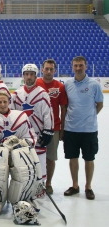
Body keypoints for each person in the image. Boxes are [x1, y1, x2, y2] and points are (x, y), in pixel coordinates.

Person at [0, 91, 39, 213]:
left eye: (5, 102)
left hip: (16, 154)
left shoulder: (21, 116)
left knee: (25, 169)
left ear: (9, 102)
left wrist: (18, 145)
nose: (2, 104)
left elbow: (31, 137)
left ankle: (23, 199)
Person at [63, 56, 103, 200]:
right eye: (76, 66)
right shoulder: (67, 84)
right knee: (72, 158)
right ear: (72, 67)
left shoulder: (94, 85)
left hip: (89, 130)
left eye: (81, 65)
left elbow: (99, 104)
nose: (78, 68)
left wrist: (89, 117)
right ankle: (75, 185)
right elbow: (66, 106)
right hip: (71, 129)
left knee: (89, 159)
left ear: (86, 66)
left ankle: (88, 187)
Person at [11, 64, 54, 197]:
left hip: (38, 133)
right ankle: (25, 185)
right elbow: (12, 113)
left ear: (36, 76)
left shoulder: (42, 93)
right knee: (22, 161)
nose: (29, 77)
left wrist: (48, 130)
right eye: (26, 74)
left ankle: (40, 185)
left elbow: (48, 113)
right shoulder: (17, 94)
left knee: (40, 160)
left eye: (31, 74)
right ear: (23, 76)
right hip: (22, 134)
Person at [35, 59, 68, 194]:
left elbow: (63, 108)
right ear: (42, 69)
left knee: (50, 157)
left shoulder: (60, 86)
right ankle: (35, 182)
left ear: (55, 71)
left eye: (51, 69)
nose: (49, 71)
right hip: (36, 128)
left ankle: (48, 183)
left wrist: (62, 129)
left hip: (54, 128)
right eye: (46, 69)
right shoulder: (36, 83)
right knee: (35, 156)